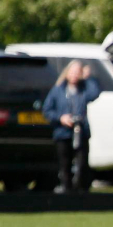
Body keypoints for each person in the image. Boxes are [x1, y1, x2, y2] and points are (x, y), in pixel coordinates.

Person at [43, 60, 101, 192]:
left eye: (78, 72)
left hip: (81, 131)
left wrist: (89, 78)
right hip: (63, 132)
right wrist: (61, 118)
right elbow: (47, 110)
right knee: (65, 164)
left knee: (82, 164)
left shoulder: (84, 88)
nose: (74, 75)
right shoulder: (58, 90)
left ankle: (80, 191)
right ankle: (66, 190)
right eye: (72, 72)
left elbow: (95, 93)